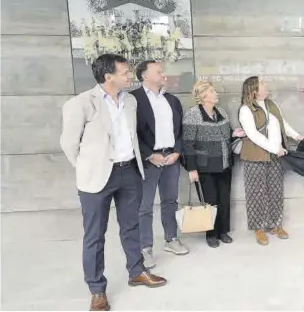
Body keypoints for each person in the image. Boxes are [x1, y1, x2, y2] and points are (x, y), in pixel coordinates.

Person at [60, 54, 167, 311]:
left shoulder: (129, 101)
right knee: (94, 236)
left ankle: (136, 271)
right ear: (108, 77)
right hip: (97, 177)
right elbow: (69, 143)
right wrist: (86, 167)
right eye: (125, 72)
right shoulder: (81, 103)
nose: (129, 75)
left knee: (131, 226)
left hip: (129, 171)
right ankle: (97, 289)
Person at [130, 60, 188, 269]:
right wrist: (149, 155)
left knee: (170, 201)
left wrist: (177, 152)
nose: (164, 74)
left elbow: (180, 131)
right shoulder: (133, 99)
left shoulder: (172, 100)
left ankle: (171, 239)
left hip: (171, 159)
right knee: (144, 207)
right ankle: (145, 247)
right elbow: (132, 133)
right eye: (159, 71)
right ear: (144, 75)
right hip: (149, 161)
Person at [238, 76, 304, 246]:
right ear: (253, 90)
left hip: (275, 156)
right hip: (255, 157)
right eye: (262, 84)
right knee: (256, 193)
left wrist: (297, 136)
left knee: (276, 191)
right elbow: (253, 135)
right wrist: (275, 148)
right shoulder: (246, 110)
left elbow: (283, 124)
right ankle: (259, 228)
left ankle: (275, 225)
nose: (266, 86)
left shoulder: (272, 105)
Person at [182, 81, 246, 248]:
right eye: (211, 91)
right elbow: (188, 143)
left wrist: (234, 133)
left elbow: (226, 137)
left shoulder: (222, 112)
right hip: (205, 166)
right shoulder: (193, 114)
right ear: (203, 96)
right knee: (210, 201)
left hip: (224, 164)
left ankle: (223, 231)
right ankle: (211, 234)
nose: (215, 93)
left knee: (224, 199)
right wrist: (192, 169)